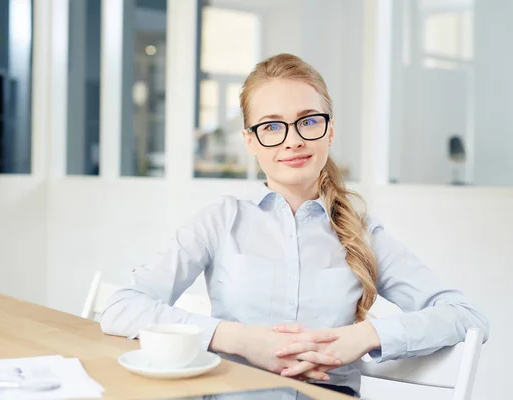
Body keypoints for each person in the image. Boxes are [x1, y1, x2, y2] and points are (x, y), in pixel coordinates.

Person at [100, 53, 489, 397]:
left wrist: (364, 337)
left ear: (330, 130)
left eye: (308, 121)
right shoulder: (220, 220)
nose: (292, 141)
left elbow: (466, 315)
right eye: (271, 126)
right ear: (250, 141)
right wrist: (240, 340)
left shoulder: (363, 232)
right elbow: (121, 307)